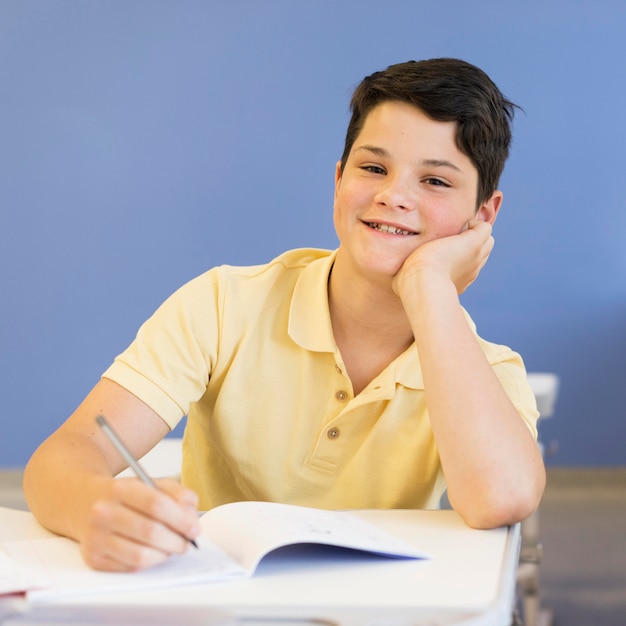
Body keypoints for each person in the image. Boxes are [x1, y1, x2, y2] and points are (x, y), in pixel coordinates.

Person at [23, 57, 546, 572]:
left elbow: (501, 498)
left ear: (482, 216)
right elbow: (66, 456)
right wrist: (94, 508)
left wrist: (430, 287)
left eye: (435, 181)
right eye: (373, 168)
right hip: (222, 599)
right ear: (339, 180)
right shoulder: (224, 303)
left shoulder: (487, 373)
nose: (393, 195)